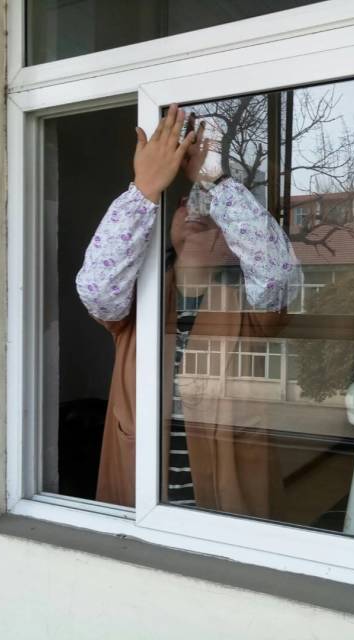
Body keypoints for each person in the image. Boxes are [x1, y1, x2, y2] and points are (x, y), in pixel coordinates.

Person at [76, 105, 300, 511]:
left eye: (209, 208)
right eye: (185, 202)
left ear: (233, 240)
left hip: (225, 505)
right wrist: (144, 190)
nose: (196, 210)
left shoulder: (251, 308)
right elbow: (97, 287)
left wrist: (214, 181)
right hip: (143, 499)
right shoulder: (136, 302)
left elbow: (277, 272)